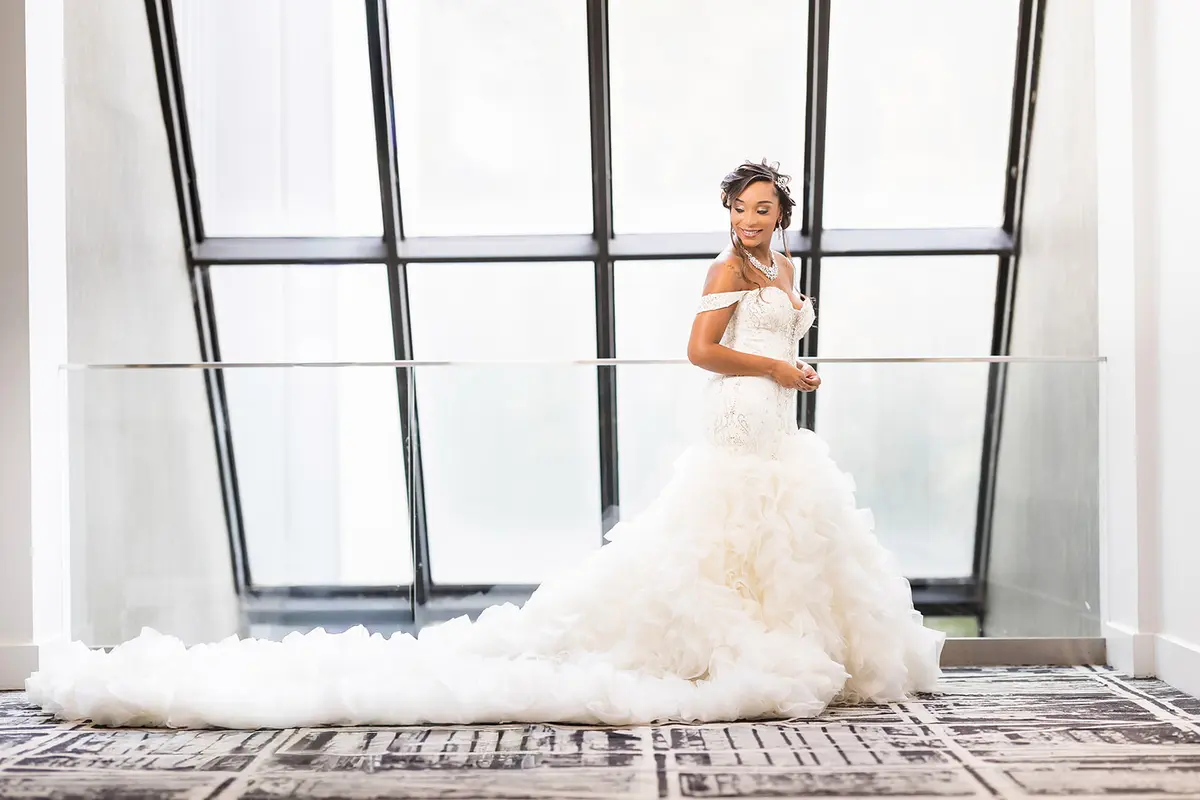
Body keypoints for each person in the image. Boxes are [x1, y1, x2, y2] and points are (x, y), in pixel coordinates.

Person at [26, 160, 944, 729]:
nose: (755, 221)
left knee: (788, 530)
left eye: (766, 209)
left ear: (781, 216)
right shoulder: (718, 269)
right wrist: (776, 373)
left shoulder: (781, 270)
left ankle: (787, 634)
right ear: (729, 212)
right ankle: (711, 643)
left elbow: (778, 337)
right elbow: (700, 351)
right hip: (740, 414)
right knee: (720, 531)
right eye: (745, 209)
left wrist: (799, 372)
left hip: (778, 417)